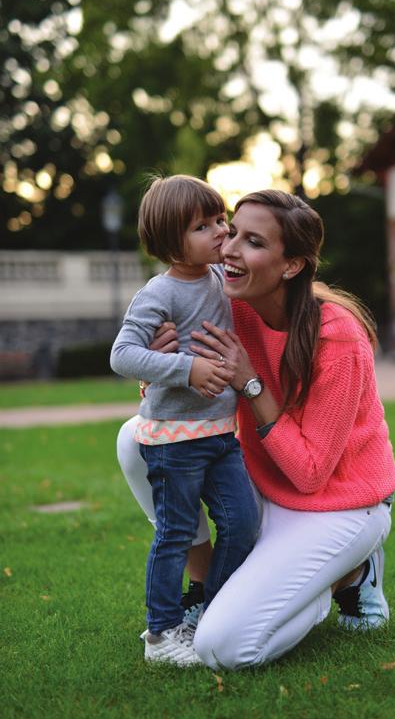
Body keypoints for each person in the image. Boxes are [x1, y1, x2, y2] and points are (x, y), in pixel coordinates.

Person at [117, 188, 395, 669]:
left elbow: (310, 474)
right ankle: (208, 586)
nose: (227, 246)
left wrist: (250, 381)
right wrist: (163, 367)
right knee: (136, 439)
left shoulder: (337, 337)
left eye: (252, 241)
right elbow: (168, 395)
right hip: (261, 488)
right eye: (231, 229)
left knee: (222, 648)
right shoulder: (227, 302)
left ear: (290, 266)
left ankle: (345, 577)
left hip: (337, 504)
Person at [110, 175, 259, 666]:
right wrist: (184, 368)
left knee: (241, 523)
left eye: (221, 219)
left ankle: (211, 611)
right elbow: (122, 355)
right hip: (173, 441)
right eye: (203, 226)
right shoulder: (159, 294)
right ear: (171, 242)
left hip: (220, 435)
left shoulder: (220, 280)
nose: (220, 231)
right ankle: (161, 635)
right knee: (175, 534)